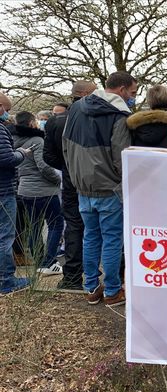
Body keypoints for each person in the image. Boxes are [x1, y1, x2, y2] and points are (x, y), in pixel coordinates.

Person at [63, 71, 137, 306]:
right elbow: (121, 157)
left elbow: (66, 146)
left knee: (90, 237)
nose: (133, 98)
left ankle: (91, 287)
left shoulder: (75, 109)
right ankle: (112, 291)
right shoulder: (119, 115)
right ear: (123, 90)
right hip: (109, 189)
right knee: (112, 239)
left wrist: (76, 176)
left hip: (83, 187)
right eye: (133, 93)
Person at [44, 80, 97, 292]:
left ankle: (73, 275)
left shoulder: (56, 121)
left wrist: (67, 167)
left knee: (75, 225)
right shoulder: (93, 117)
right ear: (84, 94)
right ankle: (92, 275)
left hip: (70, 178)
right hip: (94, 178)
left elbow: (49, 156)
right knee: (96, 226)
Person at [12, 111, 63, 275]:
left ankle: (39, 260)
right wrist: (59, 180)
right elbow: (44, 167)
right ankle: (49, 262)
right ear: (30, 123)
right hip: (44, 190)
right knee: (56, 224)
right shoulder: (37, 140)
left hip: (25, 190)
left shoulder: (15, 140)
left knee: (34, 225)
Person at [0, 91, 32, 295]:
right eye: (6, 109)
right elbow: (6, 159)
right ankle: (6, 281)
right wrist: (22, 153)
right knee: (5, 237)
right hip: (3, 191)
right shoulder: (1, 130)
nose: (6, 113)